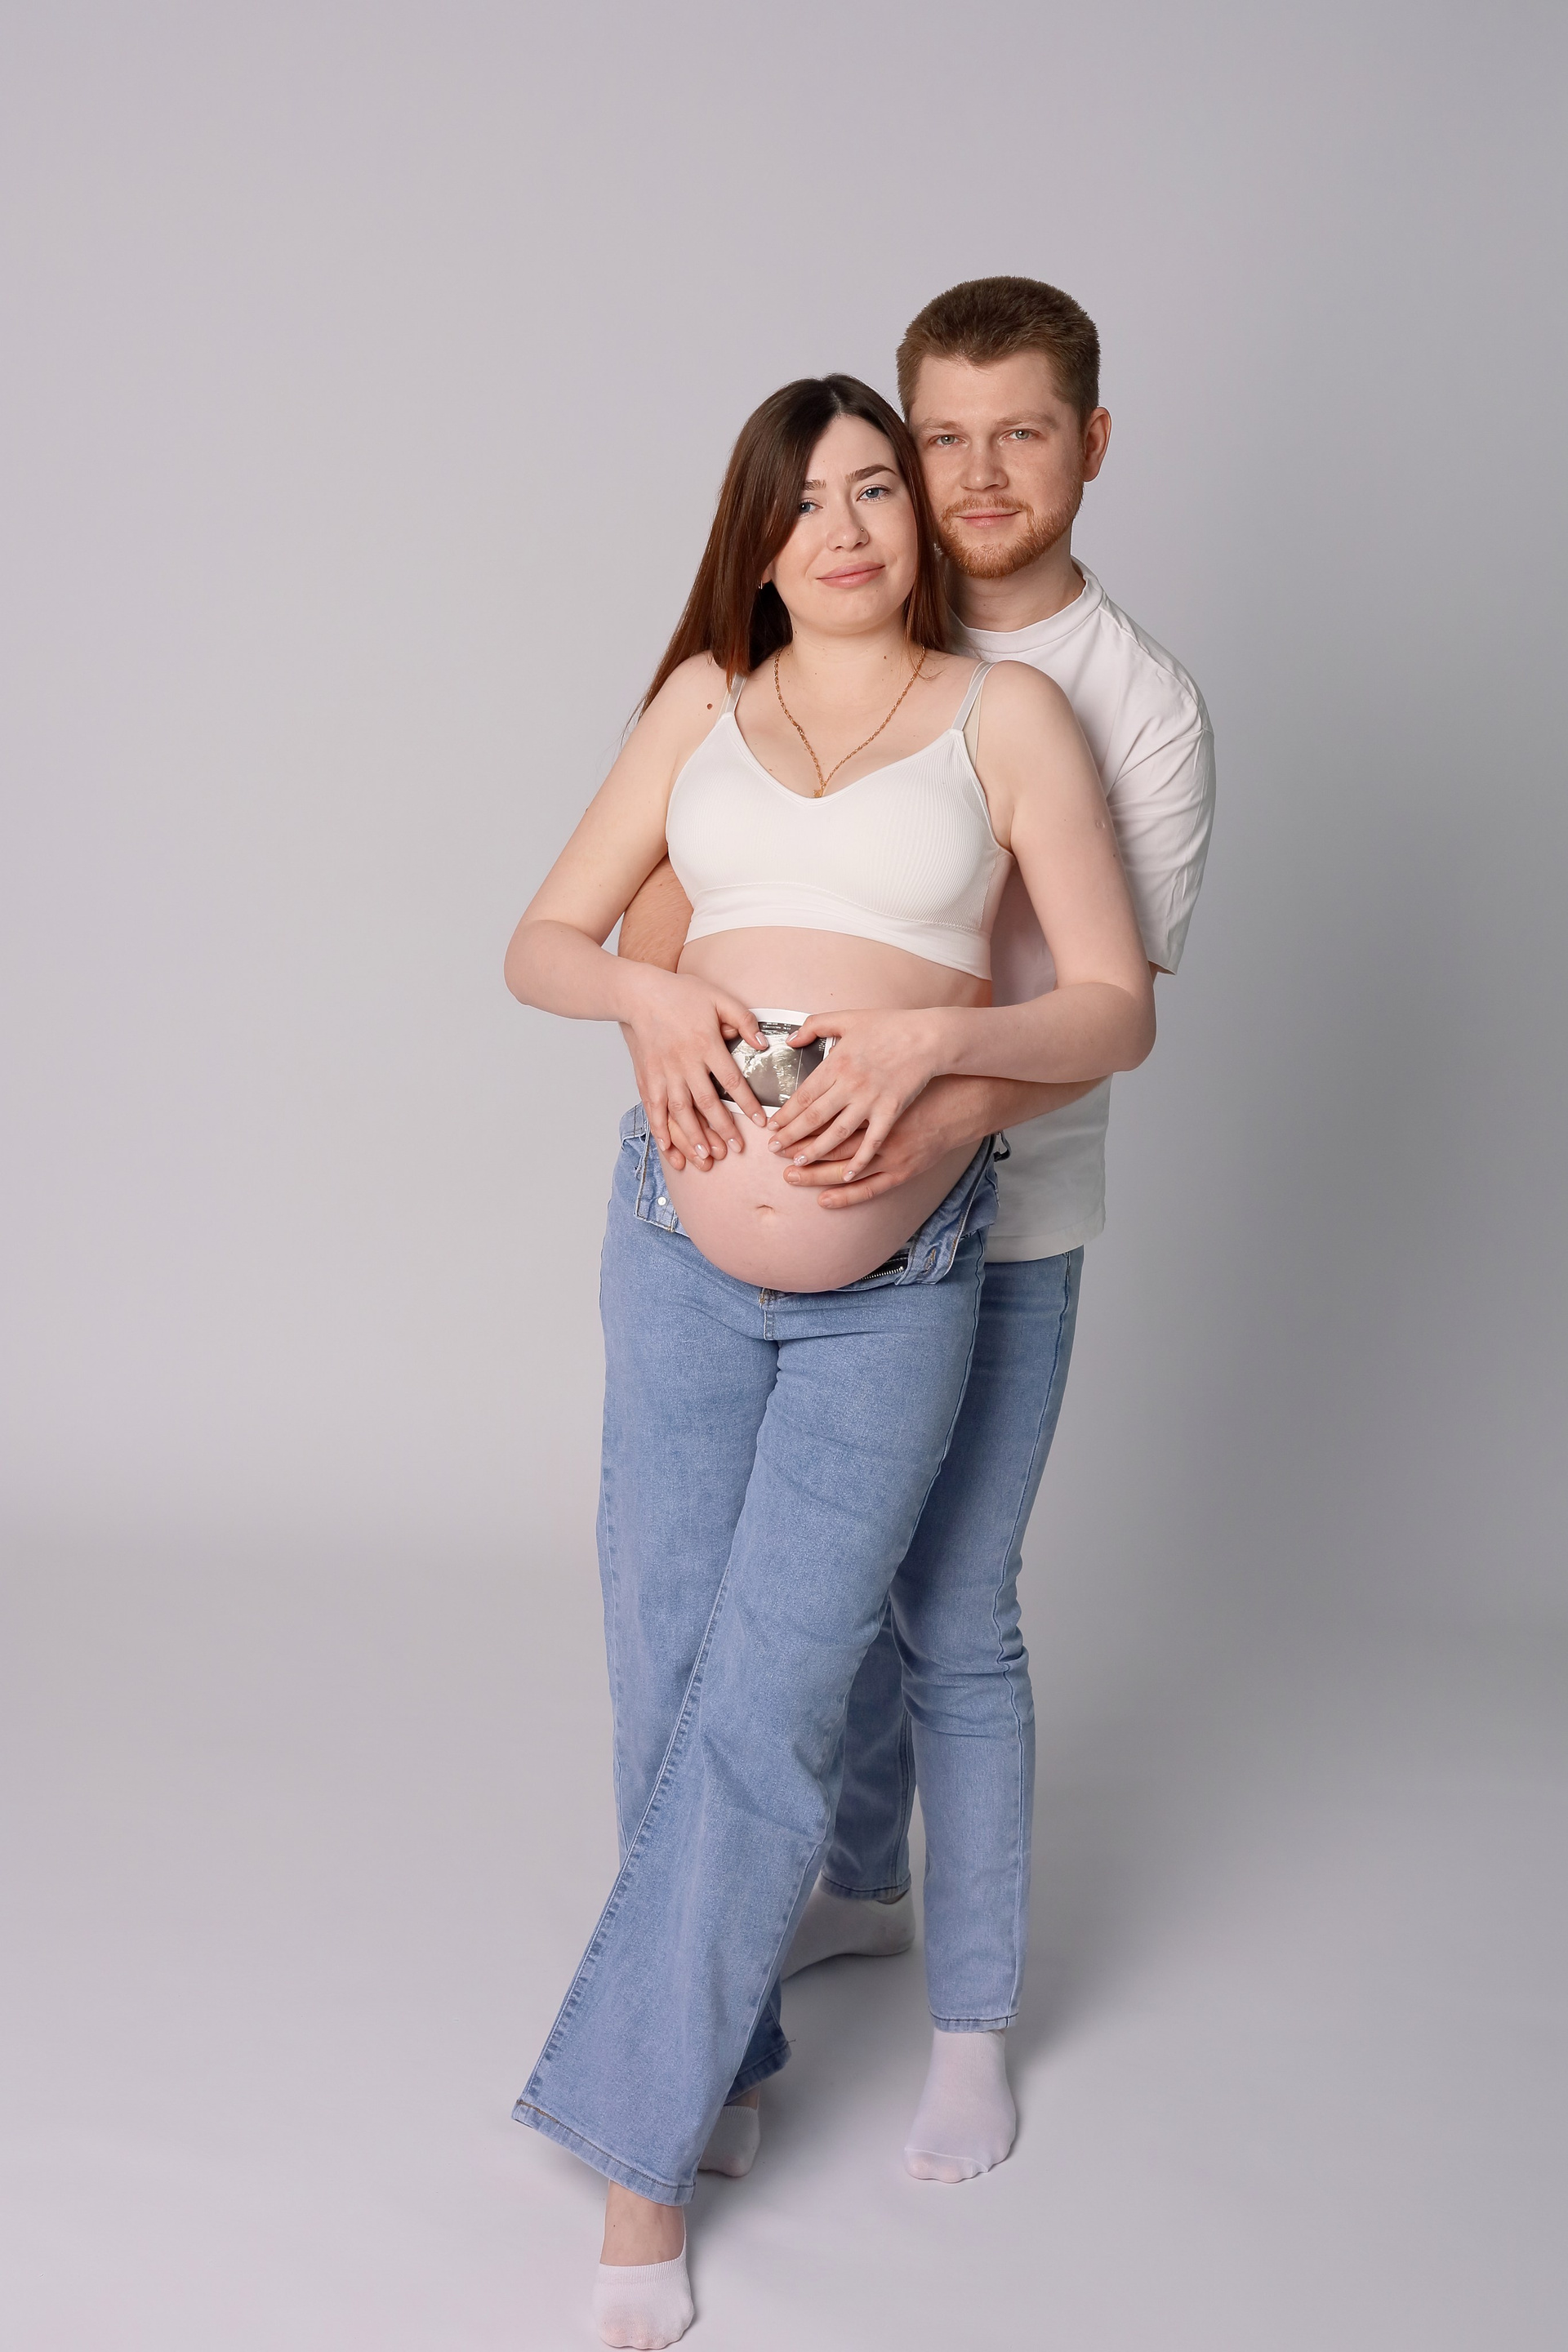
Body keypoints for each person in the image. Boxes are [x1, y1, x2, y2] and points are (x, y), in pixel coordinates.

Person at [504, 370, 1154, 2347]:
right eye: (809, 502)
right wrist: (648, 1004)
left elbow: (1113, 1006)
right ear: (758, 537)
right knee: (664, 1672)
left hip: (903, 1270)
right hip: (674, 1250)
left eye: (880, 488)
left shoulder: (1002, 717)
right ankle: (728, 2048)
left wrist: (936, 1042)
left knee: (773, 1693)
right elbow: (542, 940)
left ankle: (638, 2175)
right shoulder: (701, 702)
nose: (853, 527)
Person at [617, 277, 1216, 2191]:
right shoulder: (868, 606)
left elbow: (1101, 1004)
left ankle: (972, 2022)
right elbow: (684, 892)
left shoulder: (1124, 704)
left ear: (1091, 447)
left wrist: (910, 1120)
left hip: (1004, 1218)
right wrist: (691, 1052)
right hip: (792, 1218)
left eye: (1020, 432)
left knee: (952, 1607)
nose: (972, 476)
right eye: (936, 437)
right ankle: (858, 1884)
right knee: (811, 1606)